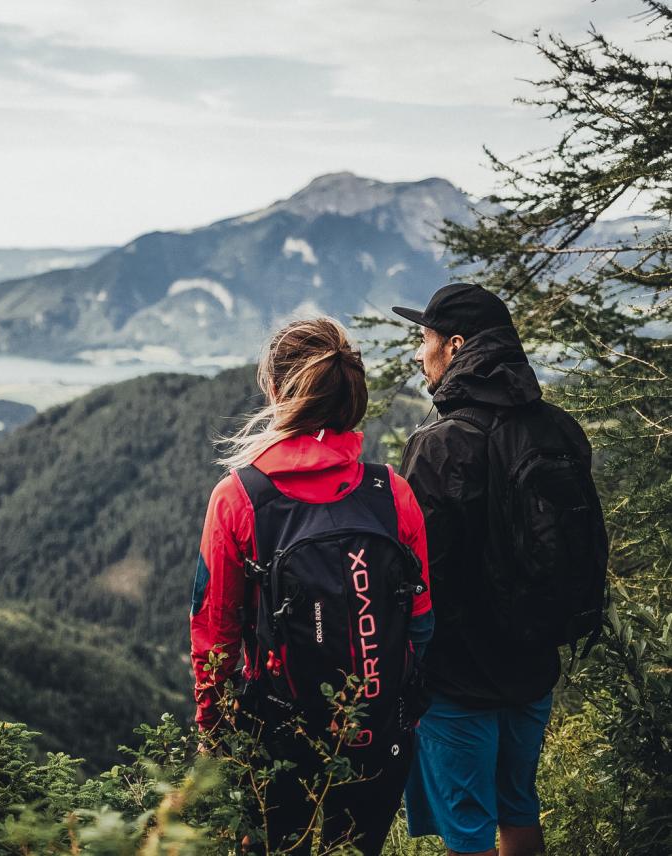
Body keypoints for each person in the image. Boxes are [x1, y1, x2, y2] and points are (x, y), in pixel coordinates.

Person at [189, 317, 434, 855]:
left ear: (276, 392)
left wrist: (213, 731)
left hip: (276, 734)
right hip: (379, 730)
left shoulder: (238, 498)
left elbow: (214, 635)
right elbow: (421, 624)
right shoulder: (390, 492)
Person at [392, 283, 606, 856]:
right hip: (533, 665)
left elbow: (419, 575)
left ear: (455, 346)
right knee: (519, 808)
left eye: (426, 338)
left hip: (459, 681)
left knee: (468, 831)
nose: (419, 352)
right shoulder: (558, 429)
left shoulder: (439, 445)